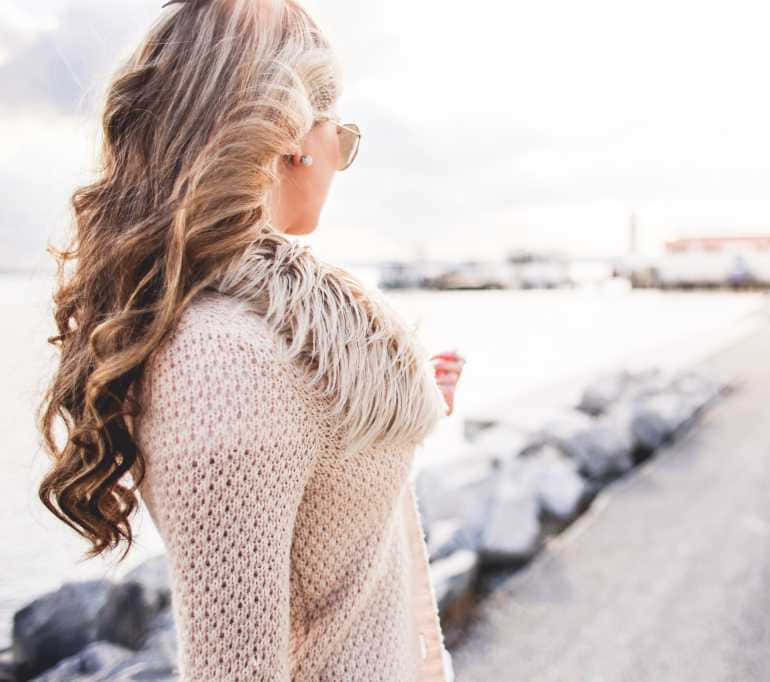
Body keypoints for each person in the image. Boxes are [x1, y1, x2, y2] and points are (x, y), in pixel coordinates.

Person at [35, 0, 464, 679]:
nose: (340, 159)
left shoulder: (281, 334)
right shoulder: (225, 363)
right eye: (342, 136)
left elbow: (329, 525)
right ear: (294, 134)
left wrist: (405, 414)